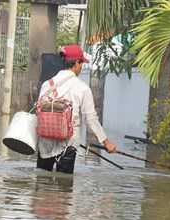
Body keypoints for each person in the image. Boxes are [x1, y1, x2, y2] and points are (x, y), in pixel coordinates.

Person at [36, 44, 116, 174]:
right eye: (82, 63)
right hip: (68, 143)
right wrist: (106, 143)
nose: (82, 66)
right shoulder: (82, 88)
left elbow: (39, 113)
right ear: (77, 63)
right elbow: (91, 120)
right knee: (64, 185)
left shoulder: (47, 84)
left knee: (42, 180)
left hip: (45, 142)